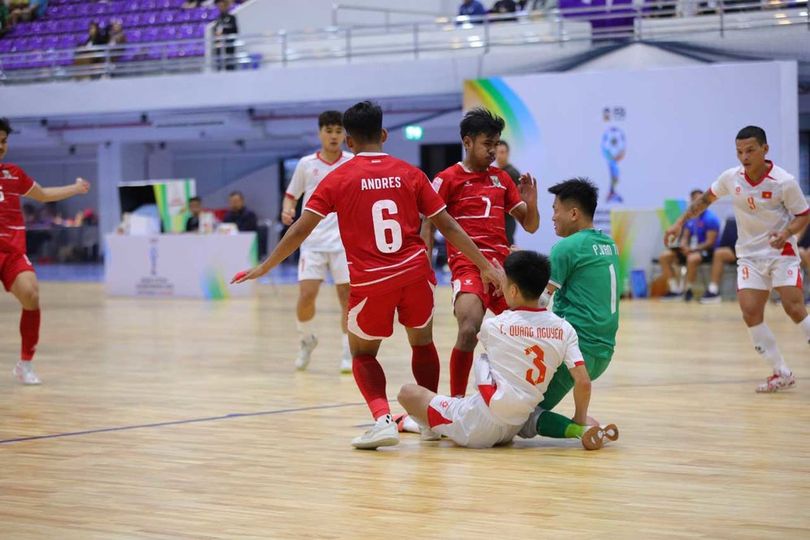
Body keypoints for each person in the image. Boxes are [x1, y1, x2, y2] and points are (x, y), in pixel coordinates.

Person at [232, 101, 503, 449]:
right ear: (385, 135)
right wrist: (483, 264)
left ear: (348, 140)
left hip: (372, 281)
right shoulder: (410, 173)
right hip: (415, 274)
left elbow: (300, 230)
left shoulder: (337, 179)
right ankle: (430, 421)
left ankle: (382, 420)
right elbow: (447, 226)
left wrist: (265, 266)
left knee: (363, 354)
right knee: (422, 344)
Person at [398, 250, 617, 450]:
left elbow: (514, 315)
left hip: (478, 424)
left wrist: (505, 283)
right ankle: (579, 428)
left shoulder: (493, 327)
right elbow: (583, 382)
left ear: (512, 289)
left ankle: (415, 424)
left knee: (407, 393)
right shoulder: (565, 329)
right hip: (516, 423)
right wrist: (580, 417)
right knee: (530, 412)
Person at [664, 126, 810, 393]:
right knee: (750, 312)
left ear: (765, 150)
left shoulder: (784, 182)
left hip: (781, 253)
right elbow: (705, 201)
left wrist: (787, 232)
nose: (744, 156)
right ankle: (781, 372)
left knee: (794, 308)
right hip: (749, 256)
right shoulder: (731, 178)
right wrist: (678, 223)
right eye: (740, 151)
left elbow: (803, 215)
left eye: (750, 150)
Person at [422, 107, 539, 399]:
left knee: (525, 330)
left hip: (504, 269)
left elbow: (531, 225)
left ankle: (521, 398)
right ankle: (456, 402)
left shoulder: (502, 179)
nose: (493, 151)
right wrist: (425, 265)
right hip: (468, 265)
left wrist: (531, 203)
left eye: (497, 143)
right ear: (467, 142)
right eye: (488, 144)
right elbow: (428, 223)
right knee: (468, 329)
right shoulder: (447, 179)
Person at [517, 178, 620, 444]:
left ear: (573, 213)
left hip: (574, 350)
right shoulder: (607, 244)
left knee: (520, 416)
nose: (552, 217)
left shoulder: (565, 247)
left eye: (555, 209)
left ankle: (581, 430)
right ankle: (596, 427)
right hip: (603, 351)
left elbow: (540, 302)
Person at [0, 117, 92, 384]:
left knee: (31, 295)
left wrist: (75, 189)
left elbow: (42, 194)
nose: (1, 147)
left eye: (4, 142)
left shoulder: (13, 173)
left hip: (12, 251)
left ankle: (25, 364)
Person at [282, 111, 354, 373]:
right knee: (306, 296)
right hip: (312, 241)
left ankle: (348, 352)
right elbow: (291, 195)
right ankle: (306, 339)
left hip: (344, 242)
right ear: (320, 133)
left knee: (346, 298)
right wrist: (287, 209)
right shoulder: (305, 164)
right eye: (329, 131)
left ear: (344, 135)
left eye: (338, 131)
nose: (334, 136)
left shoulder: (352, 162)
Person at [658, 189, 720, 302]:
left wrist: (693, 249)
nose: (698, 203)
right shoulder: (690, 219)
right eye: (695, 200)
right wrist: (683, 246)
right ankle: (674, 290)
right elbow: (685, 236)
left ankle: (688, 290)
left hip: (705, 251)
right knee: (664, 256)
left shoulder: (711, 218)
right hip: (690, 249)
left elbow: (710, 242)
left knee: (692, 258)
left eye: (700, 200)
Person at [699, 217, 738, 304]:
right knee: (719, 253)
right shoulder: (732, 220)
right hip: (737, 250)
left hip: (754, 250)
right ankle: (713, 290)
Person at [495, 140, 521, 246]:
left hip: (507, 219)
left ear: (508, 153)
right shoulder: (497, 172)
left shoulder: (511, 173)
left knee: (506, 247)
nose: (500, 155)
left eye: (503, 152)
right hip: (499, 219)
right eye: (498, 152)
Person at [213, 0, 238, 71]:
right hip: (220, 47)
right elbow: (215, 30)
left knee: (230, 66)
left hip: (229, 47)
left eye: (223, 6)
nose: (221, 8)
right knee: (219, 66)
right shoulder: (218, 19)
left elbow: (235, 30)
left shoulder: (232, 17)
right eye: (219, 6)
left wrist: (224, 30)